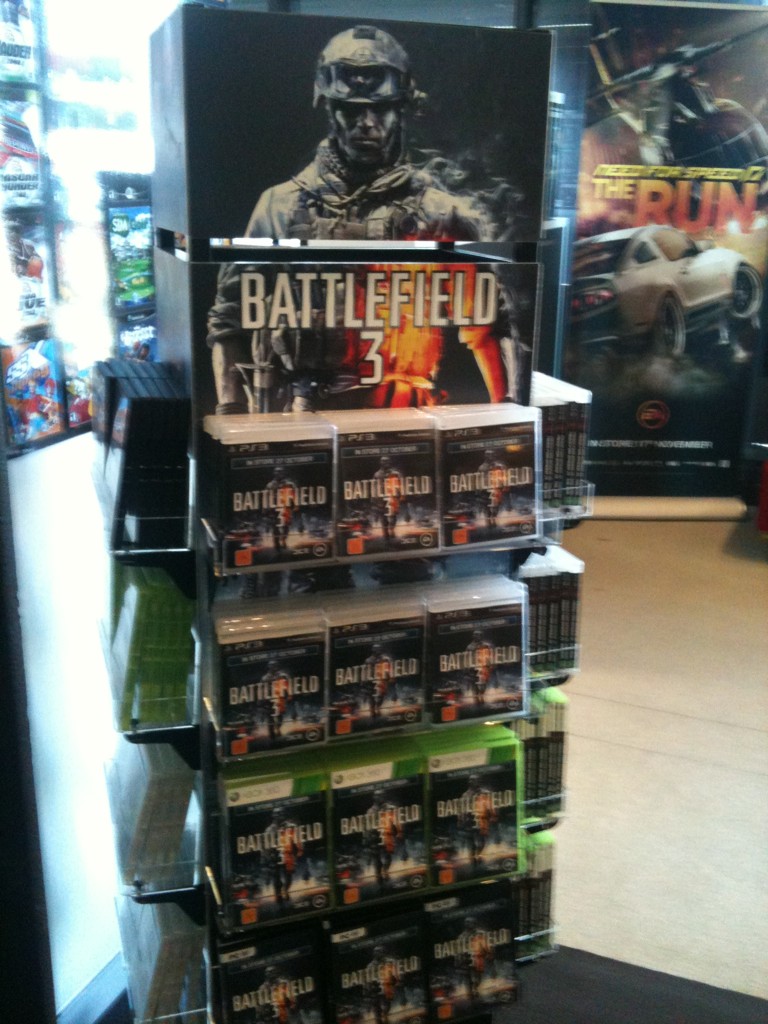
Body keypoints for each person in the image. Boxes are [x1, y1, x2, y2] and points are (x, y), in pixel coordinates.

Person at [207, 24, 524, 414]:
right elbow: (229, 319)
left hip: (408, 420)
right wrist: (232, 413)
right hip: (304, 417)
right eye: (352, 109)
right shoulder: (280, 207)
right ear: (329, 108)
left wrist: (508, 414)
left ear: (401, 108)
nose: (367, 123)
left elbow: (489, 325)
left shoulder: (440, 213)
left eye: (381, 108)